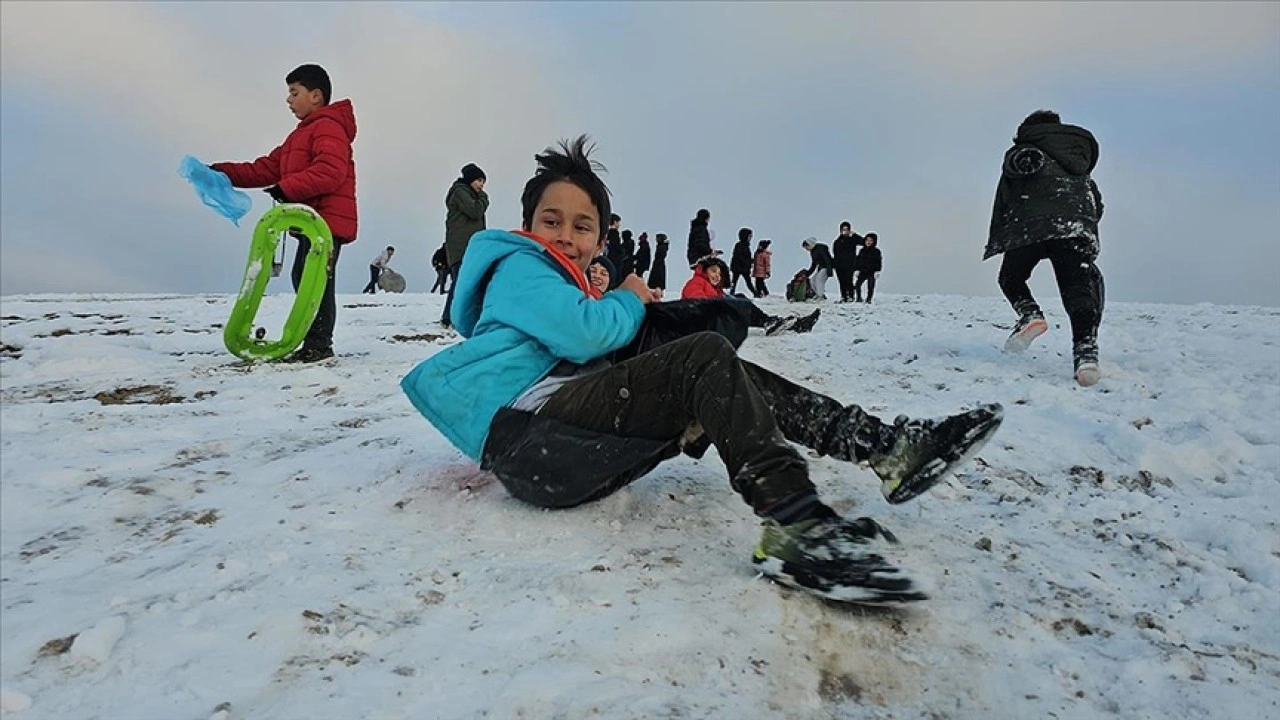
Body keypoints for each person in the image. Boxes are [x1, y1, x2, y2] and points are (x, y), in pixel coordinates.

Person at [401, 136, 1005, 604]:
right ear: (527, 227)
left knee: (718, 370)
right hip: (536, 443)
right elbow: (585, 334)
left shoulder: (563, 280)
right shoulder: (518, 267)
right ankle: (795, 523)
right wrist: (631, 296)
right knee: (703, 359)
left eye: (582, 226)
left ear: (600, 235)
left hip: (564, 442)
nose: (566, 235)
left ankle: (882, 445)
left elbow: (597, 345)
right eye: (551, 221)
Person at [211, 64, 357, 363]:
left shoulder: (328, 127)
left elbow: (330, 172)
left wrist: (286, 190)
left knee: (313, 279)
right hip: (309, 222)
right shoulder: (299, 137)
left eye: (294, 93)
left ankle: (318, 345)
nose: (288, 100)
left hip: (326, 222)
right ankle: (314, 343)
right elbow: (264, 168)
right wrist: (221, 173)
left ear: (316, 96)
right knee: (305, 275)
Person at [985, 109, 1106, 387]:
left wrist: (1022, 159)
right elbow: (1096, 204)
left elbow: (1019, 164)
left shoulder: (1028, 149)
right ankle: (1086, 354)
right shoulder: (1080, 164)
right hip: (1075, 228)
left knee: (1011, 277)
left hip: (1032, 227)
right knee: (1077, 290)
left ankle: (1030, 315)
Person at [681, 258, 821, 335]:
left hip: (713, 320)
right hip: (702, 324)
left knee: (740, 299)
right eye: (713, 271)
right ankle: (769, 322)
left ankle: (794, 325)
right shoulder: (696, 282)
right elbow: (696, 302)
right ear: (704, 271)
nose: (717, 276)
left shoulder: (715, 289)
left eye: (719, 274)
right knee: (740, 303)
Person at [442, 163, 489, 328]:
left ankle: (457, 317)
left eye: (483, 182)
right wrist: (484, 198)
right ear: (470, 180)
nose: (482, 185)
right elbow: (475, 211)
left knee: (466, 282)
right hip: (462, 247)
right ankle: (449, 317)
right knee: (460, 283)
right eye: (479, 180)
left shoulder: (467, 194)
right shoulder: (461, 192)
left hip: (468, 247)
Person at [832, 221, 862, 303]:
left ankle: (851, 296)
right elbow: (835, 253)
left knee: (849, 281)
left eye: (847, 229)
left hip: (850, 264)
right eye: (843, 229)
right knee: (842, 282)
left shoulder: (853, 239)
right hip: (839, 265)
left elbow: (863, 242)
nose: (845, 231)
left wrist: (855, 235)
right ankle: (843, 297)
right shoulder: (837, 241)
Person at [853, 233, 882, 303]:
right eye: (867, 240)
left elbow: (878, 261)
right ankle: (858, 298)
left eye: (871, 240)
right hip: (862, 271)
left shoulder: (876, 251)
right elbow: (858, 260)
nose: (868, 242)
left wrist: (877, 271)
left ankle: (869, 299)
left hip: (872, 272)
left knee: (870, 286)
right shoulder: (862, 250)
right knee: (857, 285)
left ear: (874, 242)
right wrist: (857, 269)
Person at [730, 228, 755, 296]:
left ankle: (755, 293)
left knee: (745, 281)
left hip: (741, 267)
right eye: (750, 236)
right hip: (740, 267)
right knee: (736, 281)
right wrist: (748, 262)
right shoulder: (739, 245)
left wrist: (751, 261)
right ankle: (755, 293)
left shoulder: (745, 245)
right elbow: (739, 256)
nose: (751, 238)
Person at [647, 233, 669, 297]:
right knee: (657, 282)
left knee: (657, 281)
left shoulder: (662, 247)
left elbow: (660, 257)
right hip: (658, 265)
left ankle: (658, 294)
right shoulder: (661, 246)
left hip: (658, 266)